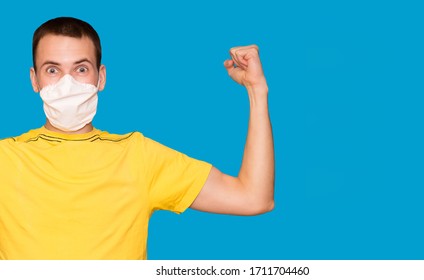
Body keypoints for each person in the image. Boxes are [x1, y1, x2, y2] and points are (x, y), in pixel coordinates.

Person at [0, 17, 274, 260]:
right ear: (34, 80)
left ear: (101, 77)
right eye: (52, 70)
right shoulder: (5, 159)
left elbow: (253, 198)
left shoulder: (138, 156)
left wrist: (256, 90)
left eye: (81, 69)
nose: (67, 83)